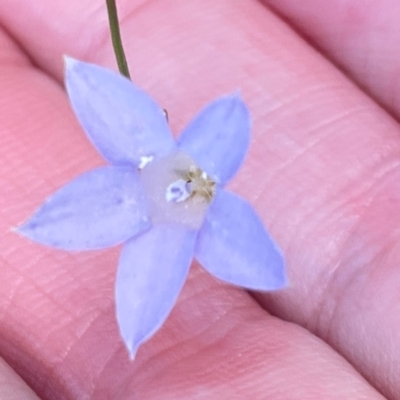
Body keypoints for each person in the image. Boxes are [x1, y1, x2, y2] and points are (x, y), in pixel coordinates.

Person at [0, 0, 398, 398]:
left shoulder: (216, 145)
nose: (184, 189)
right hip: (147, 173)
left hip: (182, 179)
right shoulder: (175, 145)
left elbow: (227, 126)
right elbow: (98, 96)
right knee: (68, 241)